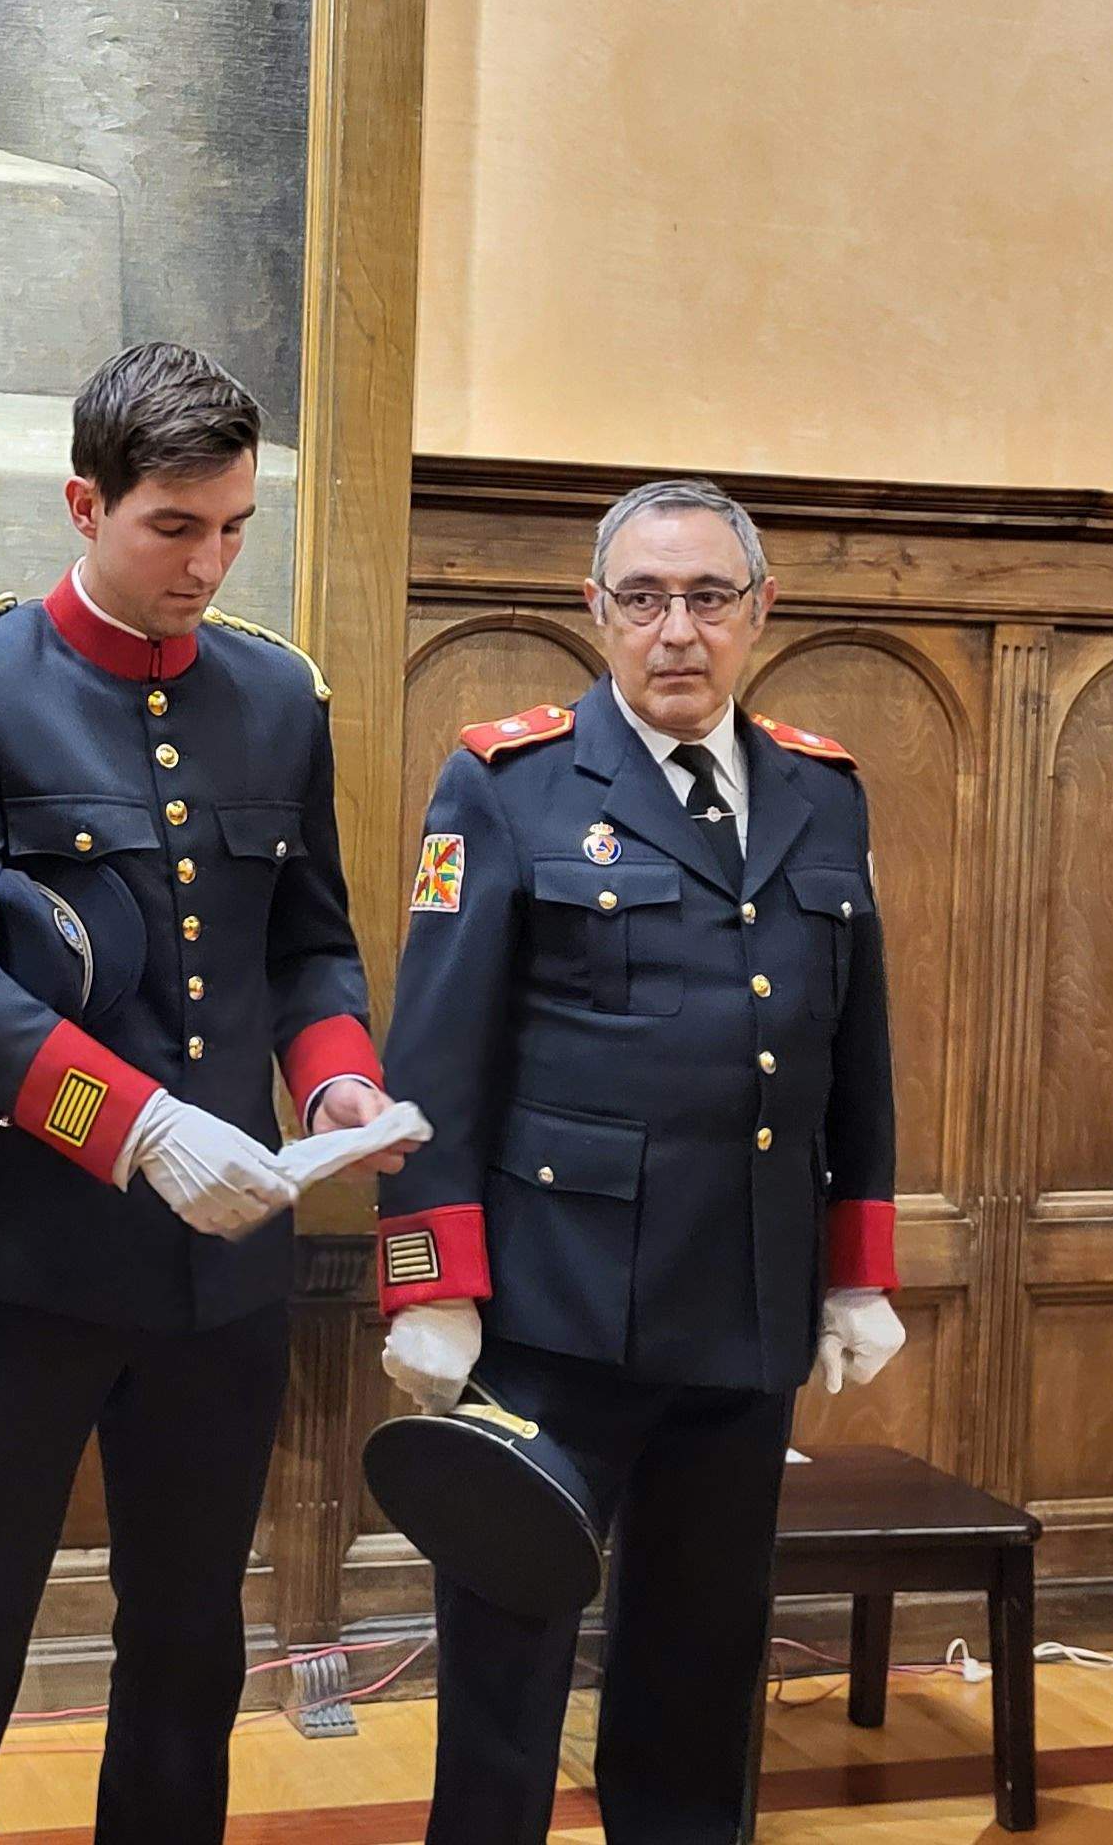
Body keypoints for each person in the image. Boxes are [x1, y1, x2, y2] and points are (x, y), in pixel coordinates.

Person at [0, 341, 406, 1844]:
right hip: (23, 1260)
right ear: (83, 505)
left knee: (189, 1638)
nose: (210, 564)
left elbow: (307, 944)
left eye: (234, 528)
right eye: (176, 527)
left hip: (219, 1277)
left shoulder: (278, 695)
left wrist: (341, 1086)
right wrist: (140, 1125)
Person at [372, 476, 909, 1845]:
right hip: (552, 1311)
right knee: (507, 1665)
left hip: (742, 1306)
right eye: (646, 599)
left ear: (759, 612)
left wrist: (856, 1271)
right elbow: (433, 1061)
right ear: (595, 612)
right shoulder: (509, 782)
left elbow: (854, 1050)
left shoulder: (821, 792)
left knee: (699, 1667)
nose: (678, 631)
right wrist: (429, 1284)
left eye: (709, 598)